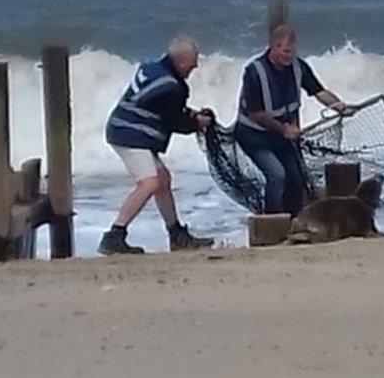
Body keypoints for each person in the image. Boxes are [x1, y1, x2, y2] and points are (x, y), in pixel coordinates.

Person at [99, 34, 216, 255]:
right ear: (182, 61)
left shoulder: (153, 69)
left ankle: (176, 235)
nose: (196, 66)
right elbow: (174, 121)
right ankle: (114, 235)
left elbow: (161, 109)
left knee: (163, 179)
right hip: (130, 134)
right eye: (194, 61)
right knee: (150, 183)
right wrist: (196, 122)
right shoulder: (171, 86)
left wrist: (191, 115)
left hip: (121, 127)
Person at [235, 24, 354, 216]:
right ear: (273, 47)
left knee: (296, 178)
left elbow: (319, 91)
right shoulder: (254, 72)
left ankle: (295, 220)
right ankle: (273, 222)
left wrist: (339, 106)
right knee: (277, 175)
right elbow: (255, 113)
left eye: (292, 51)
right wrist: (284, 129)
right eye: (285, 51)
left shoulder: (299, 67)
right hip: (255, 137)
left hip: (283, 138)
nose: (289, 56)